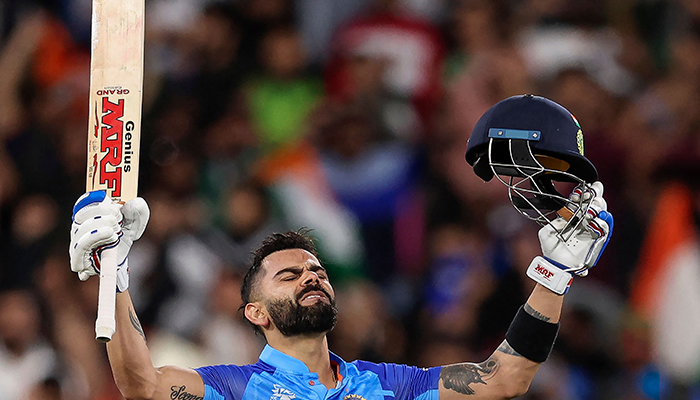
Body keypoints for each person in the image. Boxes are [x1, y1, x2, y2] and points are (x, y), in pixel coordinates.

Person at [68, 95, 613, 400]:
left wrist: (557, 272)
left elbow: (505, 379)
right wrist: (112, 274)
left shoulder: (387, 385)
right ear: (254, 313)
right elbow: (140, 386)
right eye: (288, 276)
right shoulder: (232, 387)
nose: (312, 277)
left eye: (317, 271)